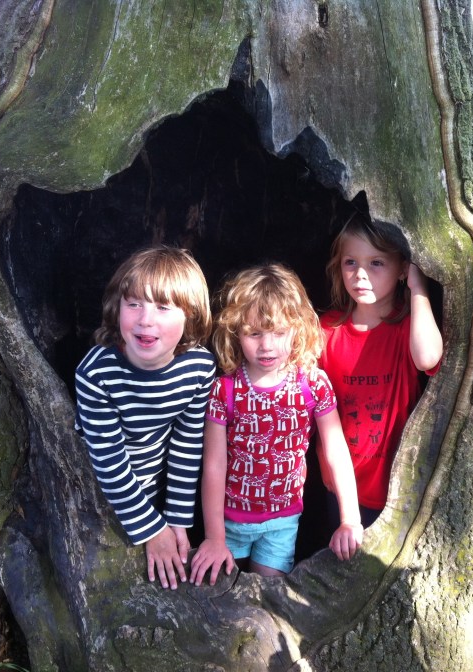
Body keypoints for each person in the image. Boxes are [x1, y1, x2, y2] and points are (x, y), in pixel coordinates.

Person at [190, 264, 362, 585]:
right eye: (254, 333)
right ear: (236, 332)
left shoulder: (312, 384)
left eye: (279, 332)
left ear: (298, 329)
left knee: (268, 595)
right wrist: (213, 537)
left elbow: (336, 451)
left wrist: (350, 519)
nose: (267, 345)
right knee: (222, 594)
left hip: (283, 521)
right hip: (230, 521)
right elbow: (214, 464)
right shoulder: (225, 390)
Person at [75, 245, 216, 590]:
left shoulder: (199, 368)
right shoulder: (97, 373)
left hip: (154, 481)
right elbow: (108, 462)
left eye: (163, 307)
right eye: (134, 303)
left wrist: (177, 520)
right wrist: (152, 529)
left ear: (190, 316)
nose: (145, 319)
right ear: (117, 306)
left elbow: (187, 446)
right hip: (97, 490)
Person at [318, 215, 443, 527]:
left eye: (376, 263)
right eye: (350, 262)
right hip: (339, 486)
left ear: (402, 268)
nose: (360, 274)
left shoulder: (406, 329)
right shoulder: (327, 331)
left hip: (396, 489)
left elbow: (427, 358)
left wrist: (418, 288)